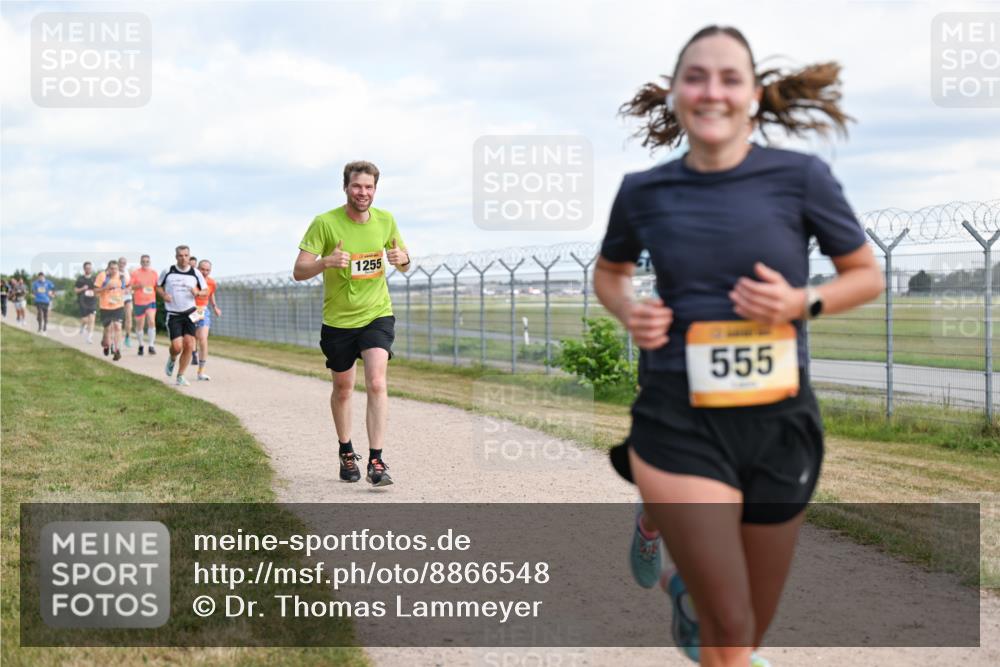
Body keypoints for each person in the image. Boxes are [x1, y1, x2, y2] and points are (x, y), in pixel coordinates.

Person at [597, 26, 883, 667]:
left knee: (744, 630)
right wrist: (630, 311)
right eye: (696, 77)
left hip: (778, 422)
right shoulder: (643, 191)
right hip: (678, 417)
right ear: (674, 94)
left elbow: (866, 274)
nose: (712, 91)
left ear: (754, 95)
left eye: (730, 78)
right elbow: (609, 275)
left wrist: (799, 302)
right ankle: (688, 578)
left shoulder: (801, 178)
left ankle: (680, 588)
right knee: (728, 637)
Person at [292, 160, 411, 487]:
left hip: (376, 313)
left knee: (376, 382)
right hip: (339, 320)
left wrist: (402, 260)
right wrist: (325, 262)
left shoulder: (386, 220)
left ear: (376, 189)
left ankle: (376, 460)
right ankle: (346, 450)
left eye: (369, 187)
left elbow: (403, 260)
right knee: (343, 389)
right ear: (346, 187)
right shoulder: (325, 223)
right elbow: (299, 271)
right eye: (357, 186)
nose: (363, 192)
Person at [157, 245, 205, 387]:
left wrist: (198, 293)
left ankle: (181, 375)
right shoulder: (168, 271)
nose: (183, 258)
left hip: (191, 312)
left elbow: (206, 290)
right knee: (177, 347)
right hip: (173, 314)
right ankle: (172, 358)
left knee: (190, 344)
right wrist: (163, 295)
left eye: (186, 255)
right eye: (180, 255)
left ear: (189, 256)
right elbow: (158, 286)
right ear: (176, 257)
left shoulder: (195, 273)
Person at [192, 259, 221, 380]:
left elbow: (211, 294)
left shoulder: (212, 282)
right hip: (189, 309)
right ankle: (191, 352)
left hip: (202, 310)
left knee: (203, 338)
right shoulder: (191, 280)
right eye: (202, 269)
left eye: (207, 270)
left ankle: (200, 372)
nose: (205, 272)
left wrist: (215, 307)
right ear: (198, 269)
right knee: (191, 338)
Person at [95, 260, 127, 361]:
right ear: (108, 268)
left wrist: (126, 290)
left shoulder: (121, 277)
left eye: (116, 269)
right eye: (112, 268)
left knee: (118, 326)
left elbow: (125, 288)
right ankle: (106, 344)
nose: (114, 271)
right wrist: (106, 287)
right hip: (105, 307)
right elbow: (95, 291)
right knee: (107, 330)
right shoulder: (102, 276)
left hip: (118, 306)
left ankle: (117, 350)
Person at [129, 254, 159, 356]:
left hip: (151, 301)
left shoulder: (154, 273)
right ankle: (141, 345)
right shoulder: (135, 273)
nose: (145, 263)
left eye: (147, 261)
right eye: (144, 261)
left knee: (151, 320)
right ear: (141, 262)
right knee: (139, 325)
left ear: (149, 262)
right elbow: (131, 287)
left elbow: (157, 286)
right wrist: (138, 286)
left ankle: (151, 346)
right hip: (139, 302)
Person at [74, 261, 98, 343]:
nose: (88, 269)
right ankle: (82, 325)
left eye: (90, 268)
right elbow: (76, 290)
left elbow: (98, 289)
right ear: (84, 269)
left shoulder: (95, 278)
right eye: (87, 268)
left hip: (92, 301)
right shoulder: (80, 279)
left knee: (92, 319)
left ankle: (89, 337)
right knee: (85, 320)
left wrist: (97, 292)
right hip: (83, 301)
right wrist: (82, 288)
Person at [118, 257, 133, 348]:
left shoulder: (129, 272)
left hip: (127, 297)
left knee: (129, 317)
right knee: (118, 319)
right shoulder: (114, 272)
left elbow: (132, 284)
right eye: (121, 262)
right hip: (117, 297)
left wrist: (129, 289)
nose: (122, 264)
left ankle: (127, 337)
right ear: (118, 263)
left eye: (124, 262)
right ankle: (116, 338)